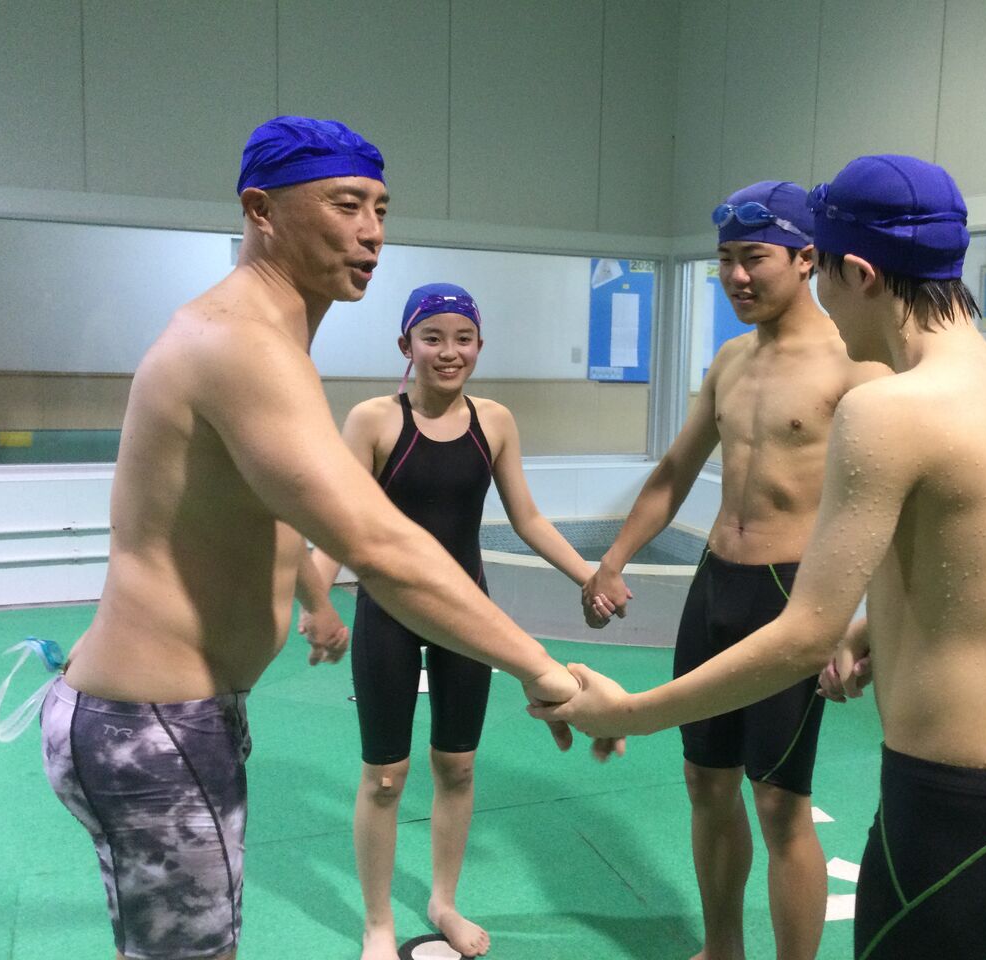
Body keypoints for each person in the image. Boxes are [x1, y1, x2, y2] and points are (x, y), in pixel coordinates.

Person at [39, 116, 589, 960]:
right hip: (154, 722)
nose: (371, 231)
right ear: (261, 210)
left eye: (380, 208)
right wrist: (542, 669)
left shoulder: (266, 339)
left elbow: (273, 517)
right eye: (344, 204)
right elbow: (380, 546)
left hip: (163, 714)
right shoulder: (240, 342)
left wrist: (315, 601)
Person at [540, 154, 986, 960]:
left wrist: (627, 714)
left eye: (820, 270)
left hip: (954, 798)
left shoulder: (886, 404)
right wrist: (869, 631)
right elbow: (979, 570)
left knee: (781, 809)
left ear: (853, 271)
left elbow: (798, 640)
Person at [583, 180, 888, 960]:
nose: (736, 277)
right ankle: (722, 949)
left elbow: (892, 514)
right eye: (725, 260)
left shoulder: (858, 366)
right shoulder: (730, 359)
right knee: (705, 782)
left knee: (780, 804)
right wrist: (612, 560)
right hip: (715, 584)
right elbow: (674, 473)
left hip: (791, 598)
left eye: (754, 258)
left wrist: (858, 624)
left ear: (806, 258)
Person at [299, 282, 610, 959]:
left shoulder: (493, 421)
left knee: (458, 767)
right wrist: (317, 601)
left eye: (462, 339)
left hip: (468, 615)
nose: (449, 351)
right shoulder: (374, 421)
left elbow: (527, 519)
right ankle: (378, 924)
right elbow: (339, 524)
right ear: (405, 345)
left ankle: (444, 900)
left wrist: (589, 575)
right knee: (385, 777)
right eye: (432, 338)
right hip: (388, 612)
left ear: (479, 345)